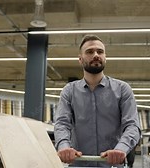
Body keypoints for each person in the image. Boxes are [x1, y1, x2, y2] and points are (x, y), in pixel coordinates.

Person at [54, 34, 141, 167]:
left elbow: (132, 125)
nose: (96, 55)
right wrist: (64, 146)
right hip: (80, 165)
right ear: (80, 59)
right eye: (89, 52)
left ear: (105, 57)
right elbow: (62, 124)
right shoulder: (69, 91)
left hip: (112, 165)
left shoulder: (122, 89)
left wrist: (120, 149)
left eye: (100, 51)